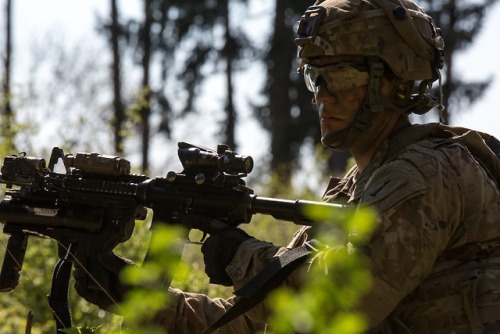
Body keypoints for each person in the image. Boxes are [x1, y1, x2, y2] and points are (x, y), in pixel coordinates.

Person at [74, 0, 500, 333]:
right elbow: (245, 324)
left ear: (396, 82)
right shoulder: (357, 189)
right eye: (315, 78)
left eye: (341, 78)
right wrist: (129, 292)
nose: (322, 96)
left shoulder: (425, 175)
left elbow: (342, 304)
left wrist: (243, 254)